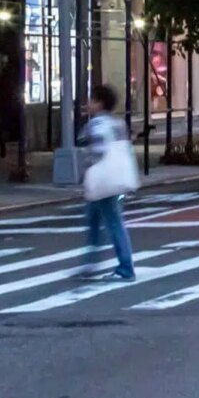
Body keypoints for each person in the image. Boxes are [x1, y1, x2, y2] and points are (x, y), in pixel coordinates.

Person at [79, 84, 137, 281]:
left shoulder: (95, 125)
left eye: (92, 100)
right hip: (118, 179)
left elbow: (96, 151)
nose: (89, 103)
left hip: (103, 181)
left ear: (100, 103)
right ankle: (90, 263)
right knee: (95, 217)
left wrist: (84, 172)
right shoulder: (119, 123)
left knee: (113, 221)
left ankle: (125, 268)